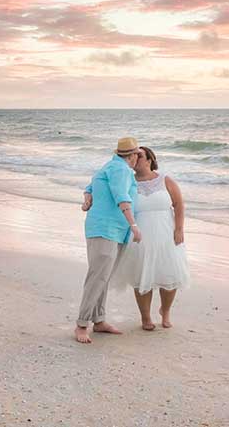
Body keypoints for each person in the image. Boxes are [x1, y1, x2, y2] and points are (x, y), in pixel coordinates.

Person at [107, 146, 190, 330]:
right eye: (133, 155)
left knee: (169, 274)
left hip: (166, 232)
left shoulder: (165, 180)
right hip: (140, 233)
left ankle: (165, 311)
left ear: (150, 160)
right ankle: (145, 317)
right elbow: (119, 202)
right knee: (141, 276)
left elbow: (179, 204)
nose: (135, 158)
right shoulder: (128, 181)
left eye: (140, 155)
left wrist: (179, 229)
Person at [74, 137, 141, 344]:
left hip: (113, 230)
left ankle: (99, 320)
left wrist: (87, 198)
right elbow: (121, 196)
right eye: (137, 154)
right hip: (105, 229)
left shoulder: (111, 166)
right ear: (133, 156)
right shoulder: (120, 170)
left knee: (103, 277)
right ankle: (81, 324)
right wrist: (134, 225)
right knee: (97, 277)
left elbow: (89, 187)